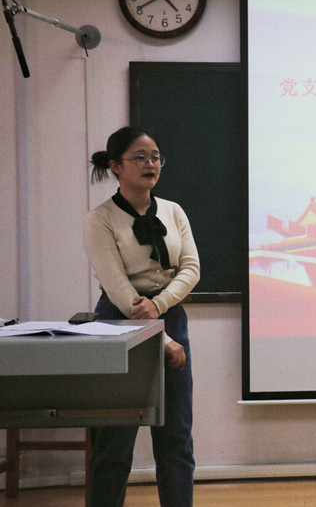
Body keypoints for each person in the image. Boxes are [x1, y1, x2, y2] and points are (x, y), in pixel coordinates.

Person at [83, 126, 200, 507]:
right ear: (116, 166)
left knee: (176, 435)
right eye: (140, 157)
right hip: (118, 323)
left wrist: (161, 306)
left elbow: (191, 269)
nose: (151, 164)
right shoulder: (100, 219)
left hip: (170, 316)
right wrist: (160, 338)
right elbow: (119, 290)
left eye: (155, 157)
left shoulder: (173, 210)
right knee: (114, 439)